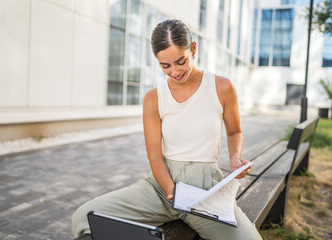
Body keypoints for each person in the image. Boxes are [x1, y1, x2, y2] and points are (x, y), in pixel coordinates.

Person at [71, 19, 262, 240]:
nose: (175, 72)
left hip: (205, 191)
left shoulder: (222, 87)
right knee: (84, 216)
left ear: (193, 49)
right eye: (165, 66)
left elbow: (234, 132)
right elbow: (154, 155)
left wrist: (236, 157)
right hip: (160, 188)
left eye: (180, 61)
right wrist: (173, 193)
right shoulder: (153, 98)